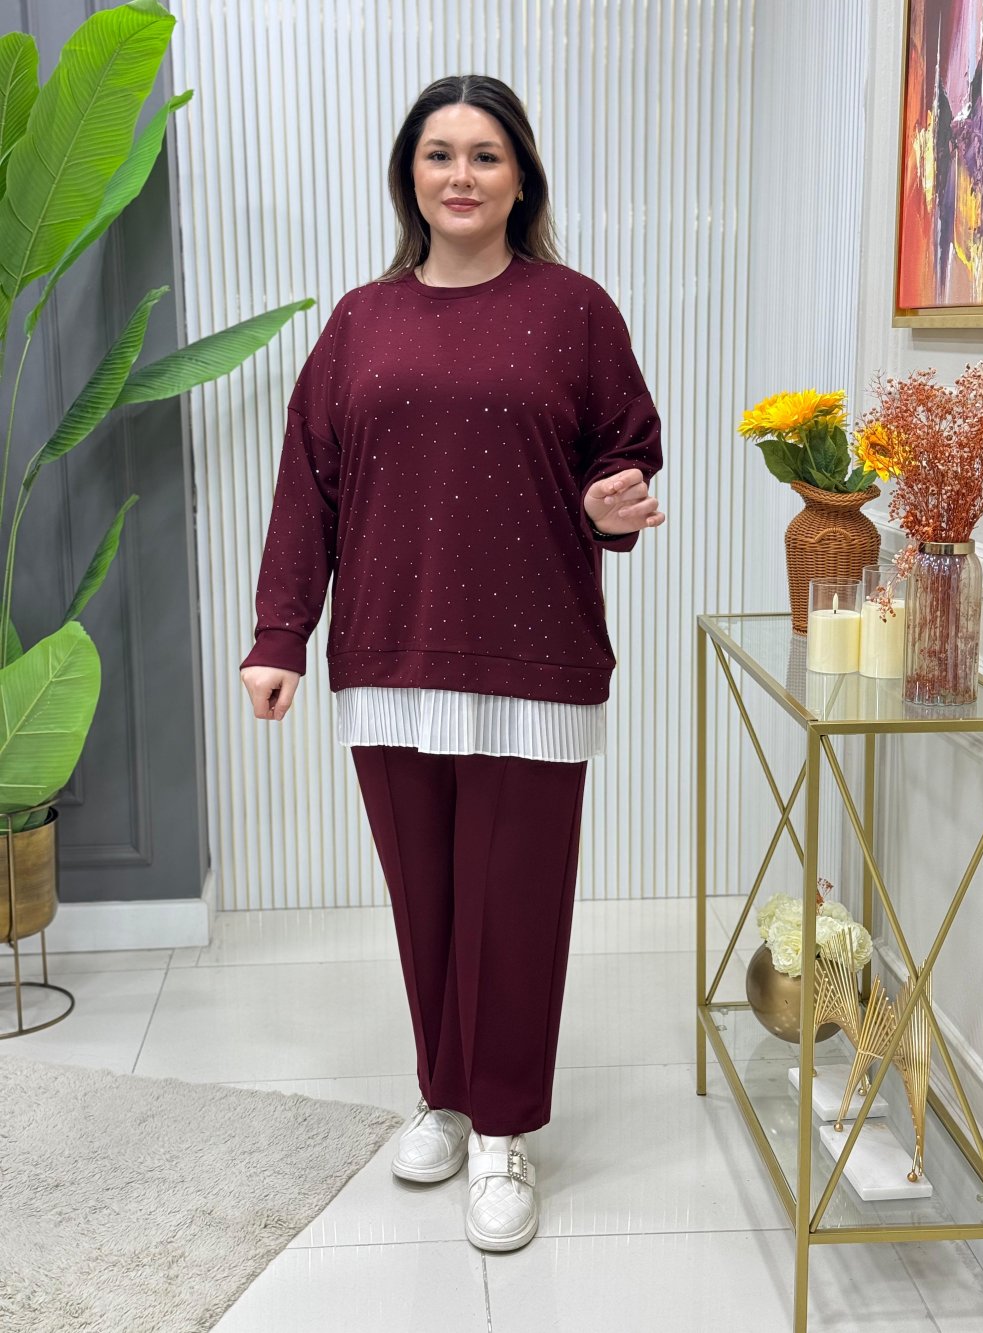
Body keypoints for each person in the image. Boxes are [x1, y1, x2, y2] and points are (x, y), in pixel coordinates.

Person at [240, 73, 663, 1254]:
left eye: (484, 154)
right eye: (439, 153)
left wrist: (613, 503)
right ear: (409, 176)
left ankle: (504, 1128)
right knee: (425, 899)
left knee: (512, 909)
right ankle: (443, 1093)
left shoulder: (575, 311)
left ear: (520, 177)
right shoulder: (359, 323)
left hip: (535, 652)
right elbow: (308, 488)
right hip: (387, 652)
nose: (461, 175)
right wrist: (279, 635)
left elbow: (623, 457)